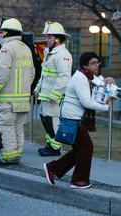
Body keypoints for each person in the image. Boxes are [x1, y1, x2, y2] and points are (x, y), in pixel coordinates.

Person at [43, 52, 113, 189]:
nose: (97, 65)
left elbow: (100, 82)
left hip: (75, 117)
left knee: (80, 149)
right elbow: (87, 102)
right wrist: (106, 107)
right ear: (85, 65)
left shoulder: (87, 76)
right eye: (93, 63)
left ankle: (53, 168)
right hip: (72, 118)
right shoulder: (81, 78)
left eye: (97, 62)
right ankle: (78, 180)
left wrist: (110, 80)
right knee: (86, 147)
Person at [0, 18, 35, 166]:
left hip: (8, 100)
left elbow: (3, 73)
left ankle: (9, 158)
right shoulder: (26, 48)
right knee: (18, 128)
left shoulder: (7, 48)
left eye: (2, 32)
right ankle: (16, 156)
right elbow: (32, 73)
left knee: (7, 127)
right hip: (23, 99)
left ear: (6, 33)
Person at [34, 22, 72, 157]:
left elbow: (64, 77)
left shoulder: (62, 54)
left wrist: (55, 95)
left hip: (53, 96)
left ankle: (55, 148)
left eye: (49, 37)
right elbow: (45, 74)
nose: (46, 40)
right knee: (45, 119)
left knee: (52, 121)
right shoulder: (50, 53)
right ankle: (50, 145)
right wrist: (38, 89)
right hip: (45, 94)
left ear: (57, 39)